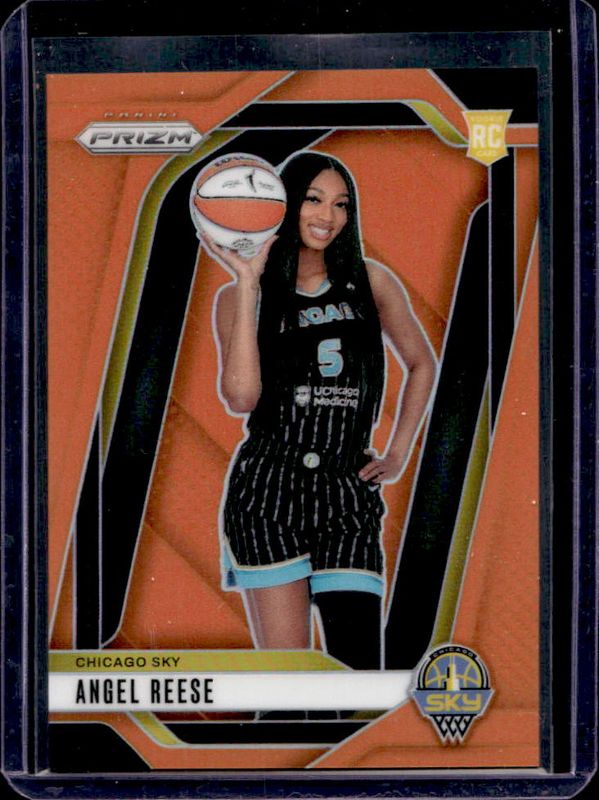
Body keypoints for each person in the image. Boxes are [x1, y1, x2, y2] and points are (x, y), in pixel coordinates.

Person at [207, 151, 437, 671]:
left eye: (340, 204)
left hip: (346, 488)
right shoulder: (237, 297)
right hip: (269, 489)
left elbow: (422, 363)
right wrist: (248, 283)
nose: (327, 216)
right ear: (284, 204)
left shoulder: (371, 281)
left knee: (358, 672)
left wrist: (398, 452)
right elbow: (241, 398)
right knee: (289, 683)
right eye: (313, 199)